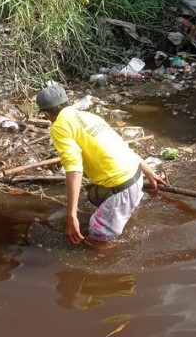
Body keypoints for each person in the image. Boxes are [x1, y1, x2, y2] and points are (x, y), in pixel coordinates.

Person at [36, 85, 165, 246]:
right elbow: (122, 146)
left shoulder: (59, 126)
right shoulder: (89, 117)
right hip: (135, 176)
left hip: (122, 188)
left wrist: (71, 216)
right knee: (93, 195)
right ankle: (121, 215)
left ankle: (111, 261)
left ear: (46, 114)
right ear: (68, 102)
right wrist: (149, 172)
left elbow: (74, 169)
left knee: (96, 240)